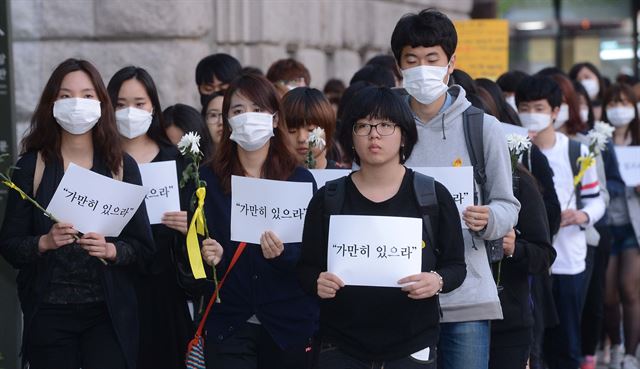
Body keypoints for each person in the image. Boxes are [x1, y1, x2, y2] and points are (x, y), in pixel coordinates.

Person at [0, 58, 155, 369]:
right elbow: (10, 244)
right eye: (65, 95)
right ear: (51, 104)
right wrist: (43, 242)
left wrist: (111, 250)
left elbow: (144, 250)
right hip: (49, 314)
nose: (76, 105)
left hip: (107, 314)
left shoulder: (122, 167)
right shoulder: (32, 167)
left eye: (86, 95)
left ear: (101, 103)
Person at [297, 85, 466, 369]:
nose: (374, 134)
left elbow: (456, 266)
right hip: (341, 346)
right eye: (362, 125)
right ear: (350, 136)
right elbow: (305, 268)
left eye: (386, 125)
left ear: (404, 136)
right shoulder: (329, 198)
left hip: (412, 346)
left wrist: (436, 281)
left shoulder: (431, 196)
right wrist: (317, 281)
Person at [390, 9, 521, 369]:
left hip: (467, 295)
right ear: (398, 66)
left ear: (451, 63)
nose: (422, 68)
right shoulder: (383, 126)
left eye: (432, 59)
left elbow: (508, 204)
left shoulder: (483, 128)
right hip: (400, 292)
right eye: (412, 60)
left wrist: (489, 217)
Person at [199, 73, 318, 369]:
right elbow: (193, 252)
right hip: (230, 322)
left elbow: (312, 254)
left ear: (275, 119)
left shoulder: (299, 179)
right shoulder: (207, 180)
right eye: (238, 111)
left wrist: (282, 254)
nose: (247, 118)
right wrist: (213, 256)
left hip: (286, 324)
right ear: (227, 121)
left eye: (258, 110)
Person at [107, 66, 195, 369]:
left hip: (165, 288)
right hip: (114, 287)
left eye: (139, 103)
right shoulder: (98, 161)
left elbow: (204, 228)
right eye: (120, 104)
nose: (130, 112)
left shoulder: (176, 159)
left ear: (153, 107)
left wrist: (190, 227)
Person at [515, 75, 605, 369]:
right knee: (533, 343)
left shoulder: (576, 152)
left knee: (566, 341)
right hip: (531, 261)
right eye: (525, 107)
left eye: (539, 107)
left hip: (568, 259)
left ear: (556, 111)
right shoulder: (514, 150)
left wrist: (583, 215)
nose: (532, 114)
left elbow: (596, 198)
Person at [489, 164, 556, 369]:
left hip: (507, 322)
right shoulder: (440, 173)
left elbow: (544, 255)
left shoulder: (517, 181)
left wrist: (514, 248)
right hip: (450, 315)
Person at [602, 83, 640, 369]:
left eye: (624, 103)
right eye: (613, 103)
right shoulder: (598, 141)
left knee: (629, 288)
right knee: (608, 294)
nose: (618, 109)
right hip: (605, 223)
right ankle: (614, 344)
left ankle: (630, 352)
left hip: (632, 226)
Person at [281, 87, 340, 169]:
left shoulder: (344, 178)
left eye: (311, 129)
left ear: (328, 130)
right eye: (292, 131)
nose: (301, 138)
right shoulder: (270, 178)